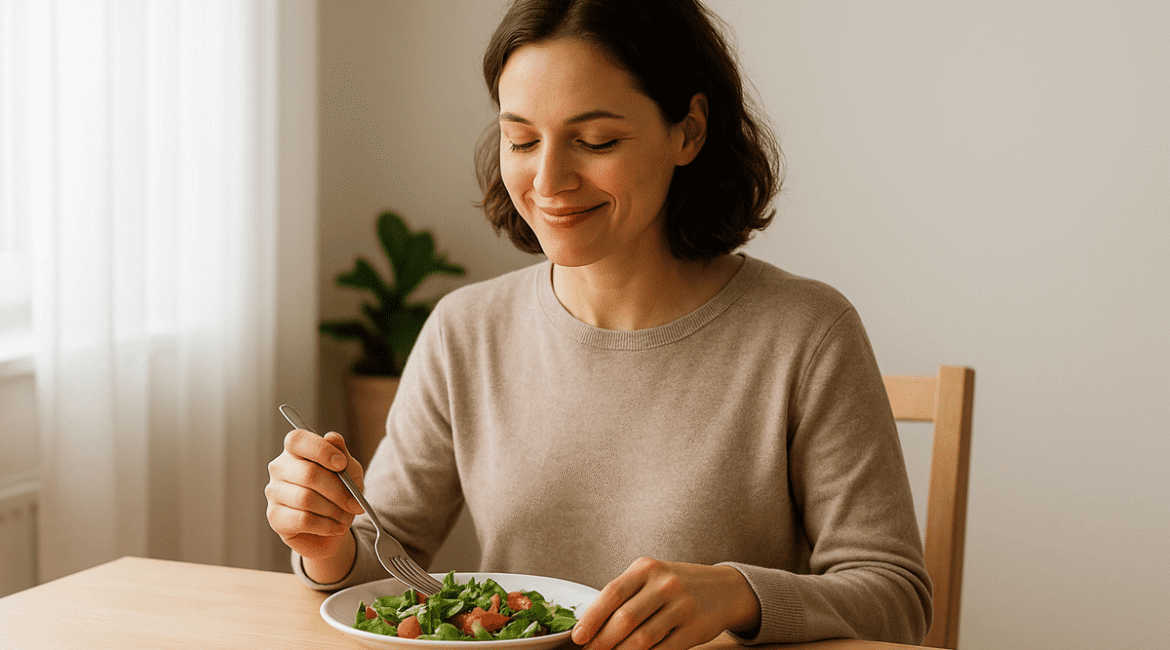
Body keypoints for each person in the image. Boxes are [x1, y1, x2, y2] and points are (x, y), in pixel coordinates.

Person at [264, 0, 933, 647]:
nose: (549, 180)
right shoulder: (465, 330)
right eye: (521, 138)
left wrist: (737, 593)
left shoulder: (807, 335)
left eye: (595, 140)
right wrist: (326, 544)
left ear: (689, 132)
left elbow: (896, 598)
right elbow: (387, 563)